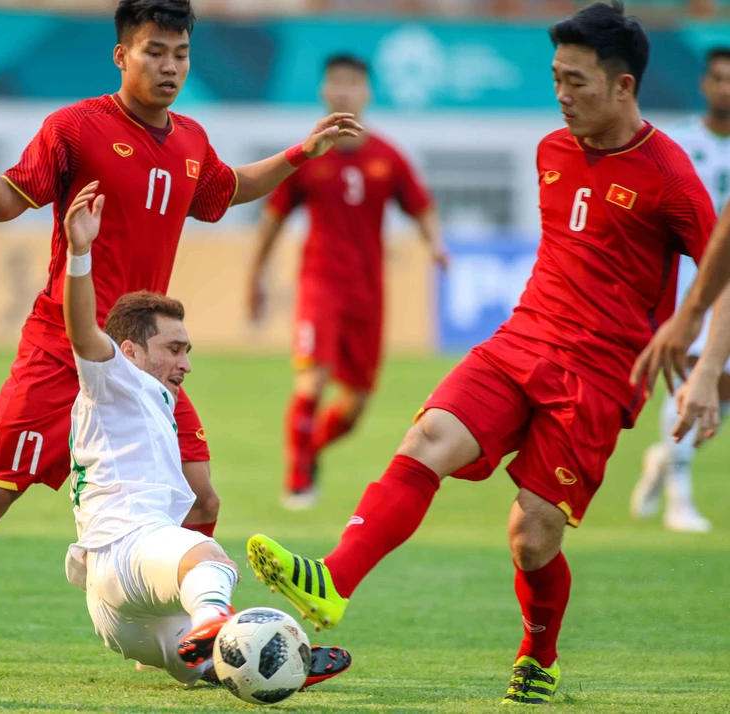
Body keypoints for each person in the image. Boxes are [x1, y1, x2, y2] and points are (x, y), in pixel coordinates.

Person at [0, 0, 361, 673]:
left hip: (143, 361)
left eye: (181, 54)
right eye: (155, 52)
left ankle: (183, 634)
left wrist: (301, 152)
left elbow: (231, 187)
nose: (170, 67)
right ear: (122, 55)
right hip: (61, 349)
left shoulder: (190, 139)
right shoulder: (74, 128)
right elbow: (7, 203)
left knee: (202, 495)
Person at [244, 1, 717, 705]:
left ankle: (539, 656)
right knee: (427, 437)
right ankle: (332, 581)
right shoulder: (552, 150)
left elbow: (721, 268)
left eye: (577, 82)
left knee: (533, 537)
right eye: (555, 78)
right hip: (521, 339)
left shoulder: (669, 176)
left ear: (623, 86)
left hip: (597, 376)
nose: (562, 95)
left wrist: (706, 366)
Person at [58, 180, 351, 690]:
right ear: (129, 351)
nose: (185, 363)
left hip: (116, 612)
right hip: (130, 550)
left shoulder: (155, 398)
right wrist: (79, 252)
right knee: (212, 561)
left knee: (210, 666)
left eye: (187, 350)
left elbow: (202, 497)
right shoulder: (113, 378)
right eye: (173, 349)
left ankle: (275, 663)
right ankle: (215, 620)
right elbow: (83, 332)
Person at [247, 54, 446, 510]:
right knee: (311, 381)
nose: (344, 91)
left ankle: (309, 450)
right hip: (320, 284)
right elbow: (272, 220)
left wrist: (435, 244)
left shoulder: (388, 157)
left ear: (367, 92)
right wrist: (255, 277)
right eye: (336, 82)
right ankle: (298, 481)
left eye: (353, 83)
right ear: (323, 91)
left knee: (355, 407)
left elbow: (422, 207)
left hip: (368, 293)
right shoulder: (307, 156)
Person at [631, 47, 730, 533]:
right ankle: (680, 499)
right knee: (689, 375)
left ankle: (663, 458)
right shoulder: (679, 142)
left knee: (717, 395)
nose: (726, 89)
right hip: (694, 279)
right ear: (704, 84)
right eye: (718, 79)